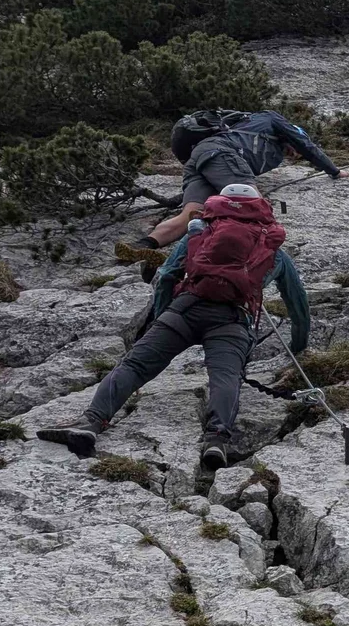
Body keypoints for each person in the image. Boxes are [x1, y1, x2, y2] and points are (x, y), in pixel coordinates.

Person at [40, 185, 311, 470]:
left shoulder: (199, 232)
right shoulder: (273, 251)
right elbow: (298, 303)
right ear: (260, 209)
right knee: (225, 377)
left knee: (134, 365)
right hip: (232, 321)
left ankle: (92, 422)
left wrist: (163, 316)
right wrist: (299, 345)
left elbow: (168, 275)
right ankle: (217, 440)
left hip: (184, 311)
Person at [138, 109, 348, 249]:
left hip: (201, 159)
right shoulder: (272, 119)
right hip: (222, 153)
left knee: (190, 215)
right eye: (294, 149)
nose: (295, 154)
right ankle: (260, 252)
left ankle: (145, 245)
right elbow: (307, 146)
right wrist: (335, 172)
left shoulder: (248, 127)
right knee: (255, 205)